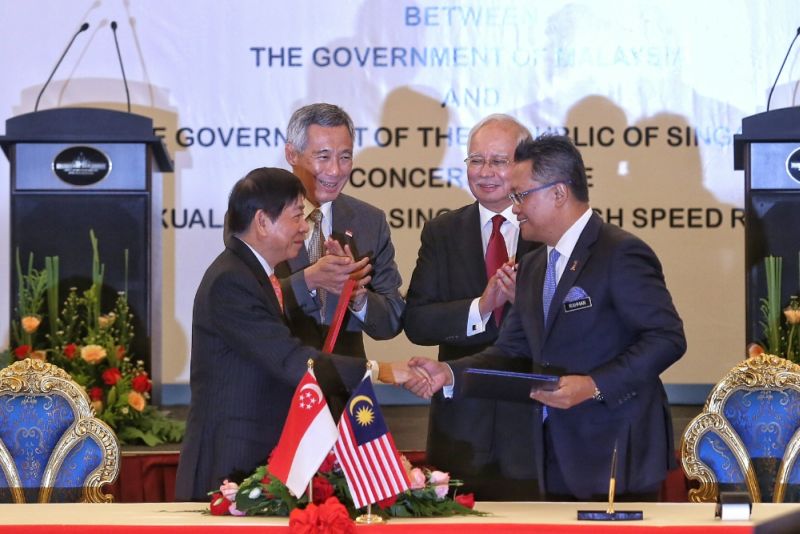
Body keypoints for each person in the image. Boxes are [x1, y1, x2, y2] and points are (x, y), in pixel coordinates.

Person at [406, 134, 686, 502]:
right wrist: (451, 374)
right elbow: (510, 350)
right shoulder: (536, 264)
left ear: (558, 193)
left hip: (616, 452)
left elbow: (666, 338)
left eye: (521, 195)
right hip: (551, 456)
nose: (515, 208)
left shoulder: (620, 252)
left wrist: (594, 385)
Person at [175, 167, 409, 501]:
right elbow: (289, 359)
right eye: (297, 215)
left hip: (251, 452)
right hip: (229, 459)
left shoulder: (251, 273)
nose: (305, 226)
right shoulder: (232, 281)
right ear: (262, 222)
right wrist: (381, 370)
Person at [403, 114, 540, 500]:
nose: (485, 172)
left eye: (498, 161)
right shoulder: (442, 232)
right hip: (461, 430)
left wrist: (526, 304)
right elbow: (417, 321)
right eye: (475, 160)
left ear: (523, 165)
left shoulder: (547, 230)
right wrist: (481, 307)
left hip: (532, 427)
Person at [276, 103, 404, 360]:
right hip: (276, 381)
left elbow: (392, 318)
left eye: (344, 157)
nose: (335, 170)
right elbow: (244, 302)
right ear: (292, 154)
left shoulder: (370, 222)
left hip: (344, 386)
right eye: (323, 156)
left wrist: (357, 297)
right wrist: (311, 279)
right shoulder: (260, 215)